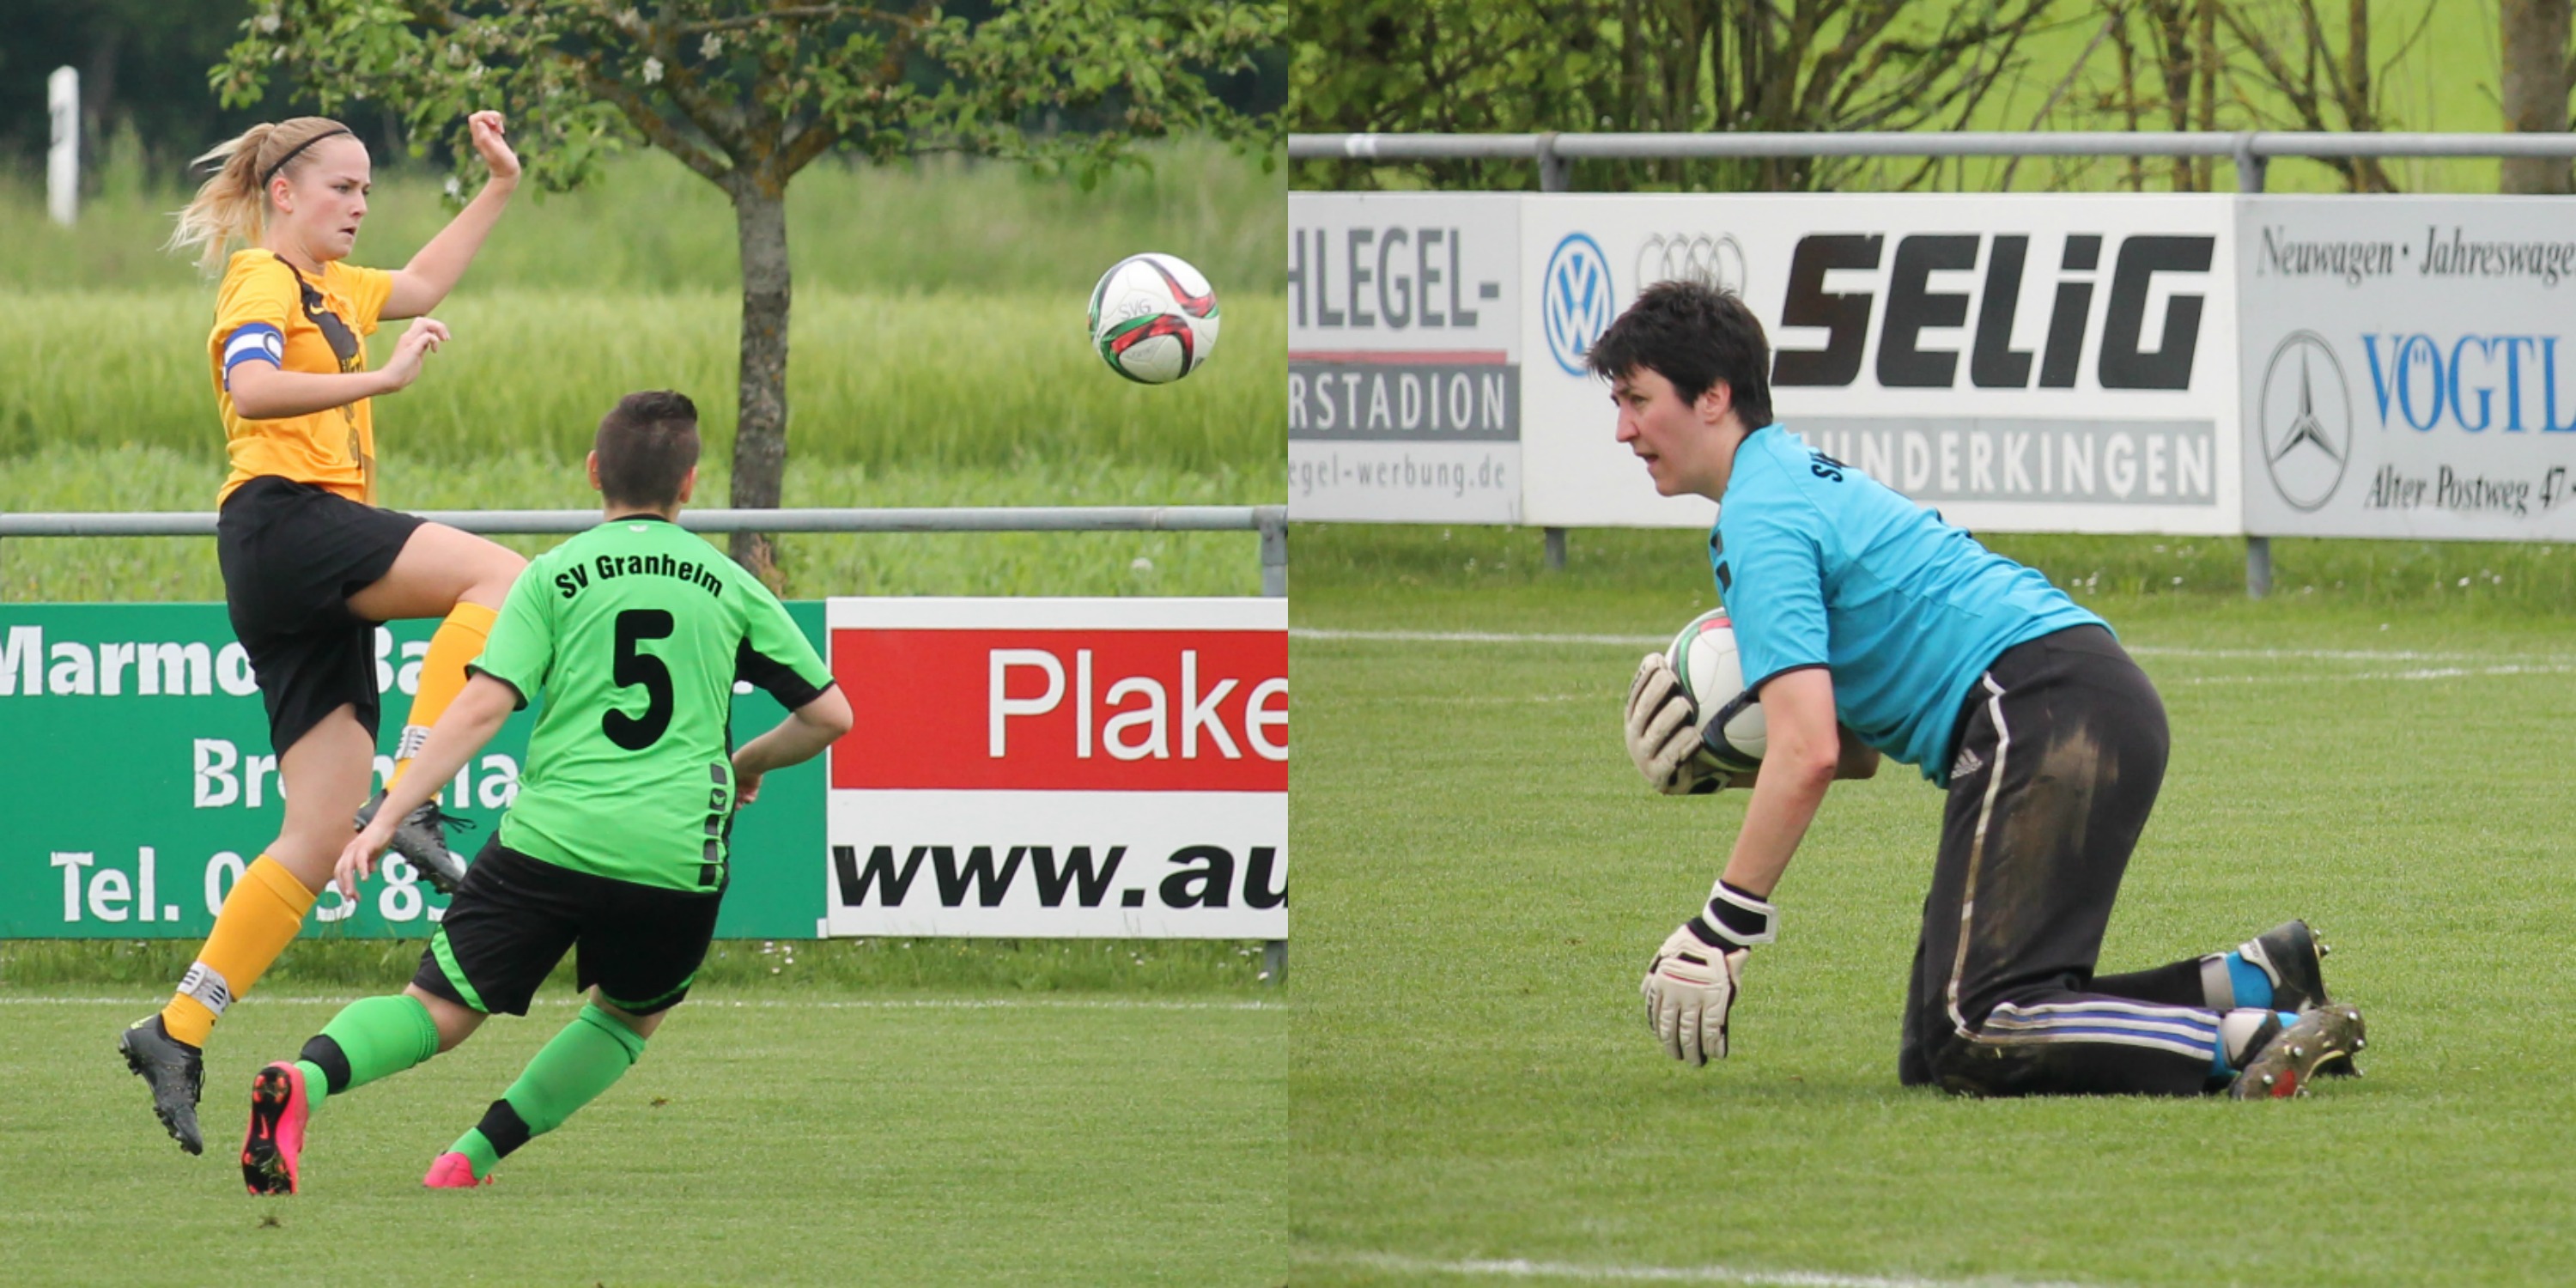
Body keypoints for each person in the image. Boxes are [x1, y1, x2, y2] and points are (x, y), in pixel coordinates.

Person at [1604, 280, 2366, 1098]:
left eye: (1638, 400)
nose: (1624, 430)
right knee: (1940, 1044)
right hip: (2070, 695)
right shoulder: (1784, 477)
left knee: (1978, 1028)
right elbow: (1850, 749)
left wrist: (1722, 927)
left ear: (1713, 396)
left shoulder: (1760, 513)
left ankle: (2260, 1039)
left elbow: (1810, 750)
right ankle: (2252, 984)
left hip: (2041, 703)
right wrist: (1722, 761)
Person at [235, 391, 853, 1194]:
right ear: (690, 483)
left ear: (595, 472)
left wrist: (389, 814)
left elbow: (481, 707)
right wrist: (746, 764)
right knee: (627, 1018)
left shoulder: (553, 575)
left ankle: (304, 1080)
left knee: (435, 1011)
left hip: (549, 842)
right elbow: (830, 716)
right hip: (673, 853)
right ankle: (469, 1159)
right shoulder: (729, 585)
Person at [121, 112, 531, 1154]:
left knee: (313, 836)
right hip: (285, 522)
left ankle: (177, 1028)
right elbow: (253, 389)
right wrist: (382, 379)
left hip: (293, 555)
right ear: (284, 193)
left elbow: (424, 285)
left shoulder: (336, 287)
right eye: (342, 188)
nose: (358, 205)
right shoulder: (262, 276)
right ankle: (416, 795)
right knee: (502, 576)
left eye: (366, 190)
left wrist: (499, 186)